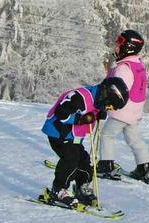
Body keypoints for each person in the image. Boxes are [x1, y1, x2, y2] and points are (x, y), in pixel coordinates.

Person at [39, 77, 129, 208]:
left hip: (72, 137)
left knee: (84, 161)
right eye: (109, 105)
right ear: (105, 95)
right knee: (71, 159)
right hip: (58, 133)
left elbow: (93, 110)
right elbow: (61, 112)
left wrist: (99, 113)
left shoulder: (97, 99)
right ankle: (57, 190)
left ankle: (82, 188)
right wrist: (81, 119)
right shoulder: (80, 97)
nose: (108, 108)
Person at [96, 30, 149, 183]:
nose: (115, 48)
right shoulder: (137, 64)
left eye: (118, 45)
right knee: (134, 139)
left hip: (122, 111)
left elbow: (117, 91)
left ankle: (106, 165)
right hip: (134, 111)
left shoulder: (124, 68)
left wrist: (104, 103)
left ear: (128, 47)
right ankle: (144, 168)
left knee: (107, 135)